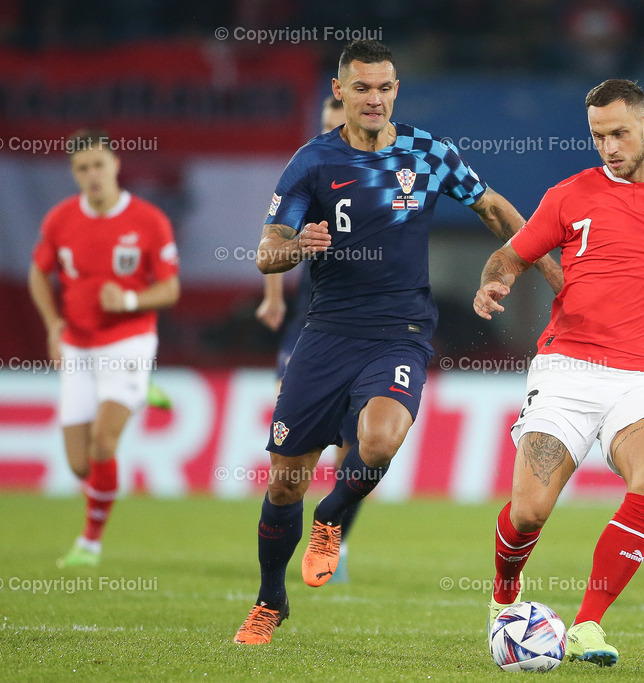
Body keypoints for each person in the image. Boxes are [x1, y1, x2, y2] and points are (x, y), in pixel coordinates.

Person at [233, 39, 563, 645]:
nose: (374, 99)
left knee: (380, 441)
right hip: (326, 334)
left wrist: (552, 273)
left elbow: (493, 209)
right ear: (340, 91)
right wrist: (297, 246)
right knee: (284, 482)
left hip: (401, 333)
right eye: (362, 88)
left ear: (396, 91)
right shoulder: (312, 162)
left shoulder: (427, 152)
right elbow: (266, 252)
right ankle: (269, 600)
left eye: (385, 88)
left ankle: (331, 517)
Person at [475, 79, 644, 666]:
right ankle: (504, 595)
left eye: (619, 133)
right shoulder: (569, 195)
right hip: (567, 370)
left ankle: (588, 624)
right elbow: (512, 254)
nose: (609, 147)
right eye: (598, 136)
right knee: (528, 513)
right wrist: (494, 280)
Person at [28, 129, 180, 568]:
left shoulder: (148, 220)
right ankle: (141, 390)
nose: (92, 174)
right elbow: (38, 273)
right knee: (79, 465)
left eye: (98, 164)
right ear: (74, 174)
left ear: (115, 164)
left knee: (102, 443)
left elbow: (170, 288)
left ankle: (90, 543)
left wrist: (129, 300)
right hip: (77, 345)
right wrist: (53, 324)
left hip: (129, 341)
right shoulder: (60, 219)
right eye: (82, 168)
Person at [254, 95, 358, 584]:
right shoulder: (309, 171)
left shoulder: (380, 174)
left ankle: (335, 534)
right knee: (290, 443)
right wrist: (273, 297)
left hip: (363, 329)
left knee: (352, 448)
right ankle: (283, 533)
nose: (332, 130)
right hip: (309, 324)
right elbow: (273, 240)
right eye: (326, 122)